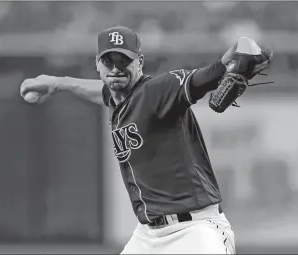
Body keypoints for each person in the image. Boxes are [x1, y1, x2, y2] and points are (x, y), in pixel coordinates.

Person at [20, 25, 272, 254]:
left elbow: (208, 74)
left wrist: (241, 51)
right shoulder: (117, 97)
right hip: (148, 236)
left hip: (195, 231)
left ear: (139, 62)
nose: (116, 68)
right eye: (109, 60)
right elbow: (104, 91)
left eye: (124, 60)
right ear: (98, 64)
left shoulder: (158, 90)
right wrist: (58, 83)